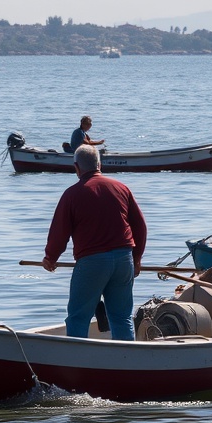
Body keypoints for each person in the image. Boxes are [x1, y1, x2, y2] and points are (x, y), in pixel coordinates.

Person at [42, 144, 147, 340]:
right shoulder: (121, 188)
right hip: (124, 260)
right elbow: (140, 226)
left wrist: (50, 257)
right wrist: (137, 258)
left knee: (78, 318)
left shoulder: (72, 194)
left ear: (76, 167)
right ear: (99, 164)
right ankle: (128, 362)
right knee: (121, 316)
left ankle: (77, 364)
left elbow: (59, 232)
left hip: (93, 262)